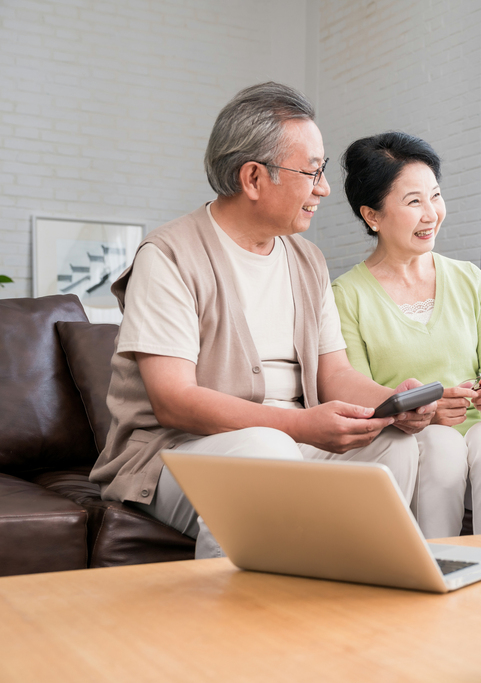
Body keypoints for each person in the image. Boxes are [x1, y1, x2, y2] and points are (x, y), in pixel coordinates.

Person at [90, 83, 435, 559]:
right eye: (311, 172)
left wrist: (393, 404)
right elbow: (174, 401)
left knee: (392, 448)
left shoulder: (307, 259)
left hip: (283, 444)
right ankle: (236, 627)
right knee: (265, 451)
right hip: (177, 454)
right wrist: (297, 428)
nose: (324, 188)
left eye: (323, 170)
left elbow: (332, 373)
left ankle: (355, 602)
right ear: (253, 178)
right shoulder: (169, 255)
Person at [333, 132, 481, 538]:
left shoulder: (469, 279)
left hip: (480, 434)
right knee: (443, 445)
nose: (431, 214)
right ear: (373, 215)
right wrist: (425, 413)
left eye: (435, 196)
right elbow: (353, 392)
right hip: (411, 441)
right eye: (413, 202)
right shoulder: (345, 295)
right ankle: (437, 570)